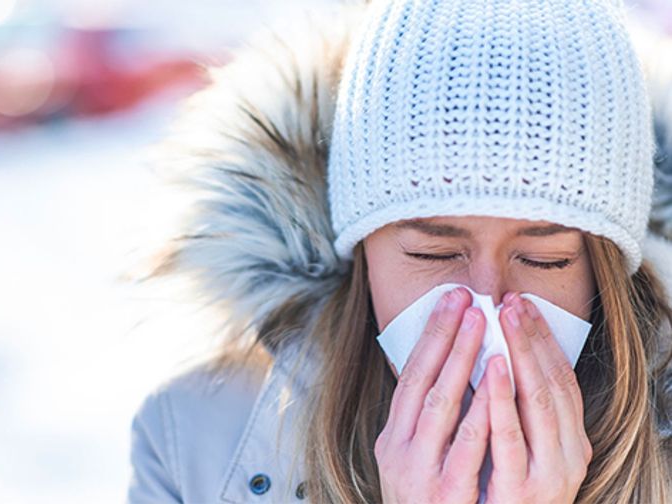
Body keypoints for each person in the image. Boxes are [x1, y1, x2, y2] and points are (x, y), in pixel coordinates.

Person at [125, 0, 672, 502]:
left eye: (544, 259)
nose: (484, 304)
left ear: (604, 271)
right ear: (362, 251)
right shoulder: (189, 445)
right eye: (432, 253)